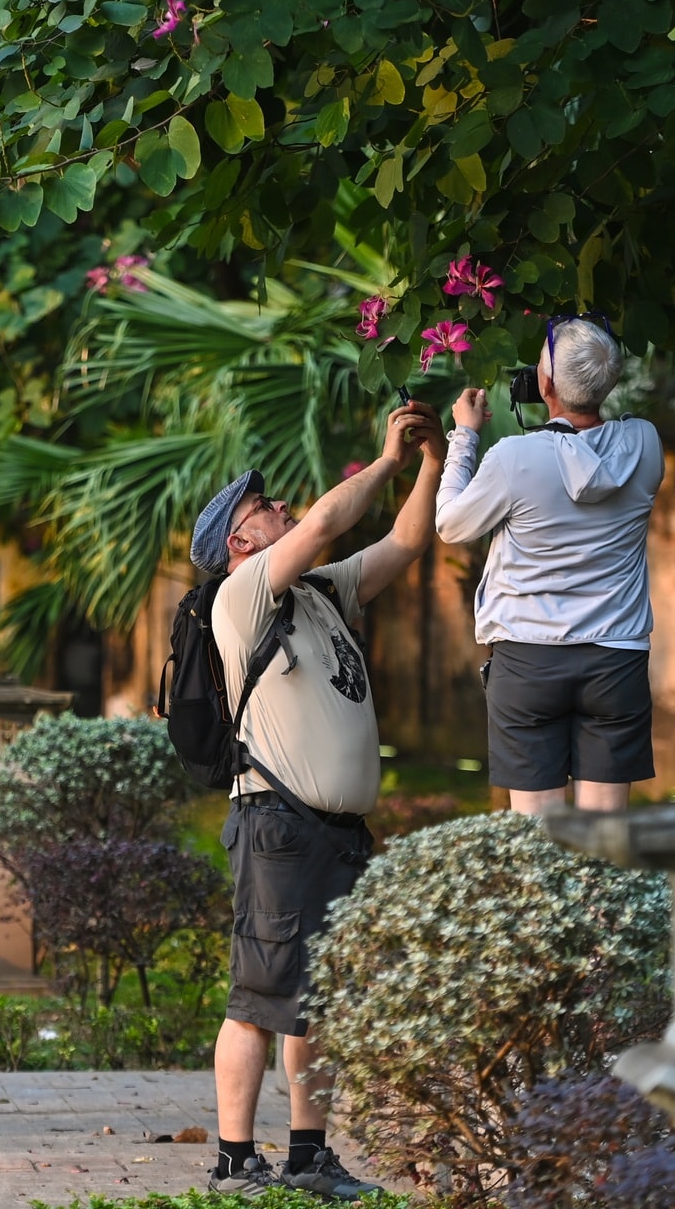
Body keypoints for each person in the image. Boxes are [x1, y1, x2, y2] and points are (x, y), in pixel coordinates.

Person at [191, 400, 442, 1200]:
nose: (282, 509)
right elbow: (333, 519)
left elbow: (403, 543)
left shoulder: (318, 595)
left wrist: (433, 463)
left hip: (335, 831)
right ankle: (235, 1159)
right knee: (261, 995)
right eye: (264, 508)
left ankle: (308, 1155)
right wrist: (387, 461)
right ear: (242, 540)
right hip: (277, 827)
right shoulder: (243, 596)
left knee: (316, 1000)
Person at [433, 313, 664, 815]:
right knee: (605, 838)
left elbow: (451, 525)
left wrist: (465, 437)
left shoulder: (514, 457)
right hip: (616, 659)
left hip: (528, 660)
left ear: (543, 384)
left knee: (537, 839)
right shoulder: (645, 444)